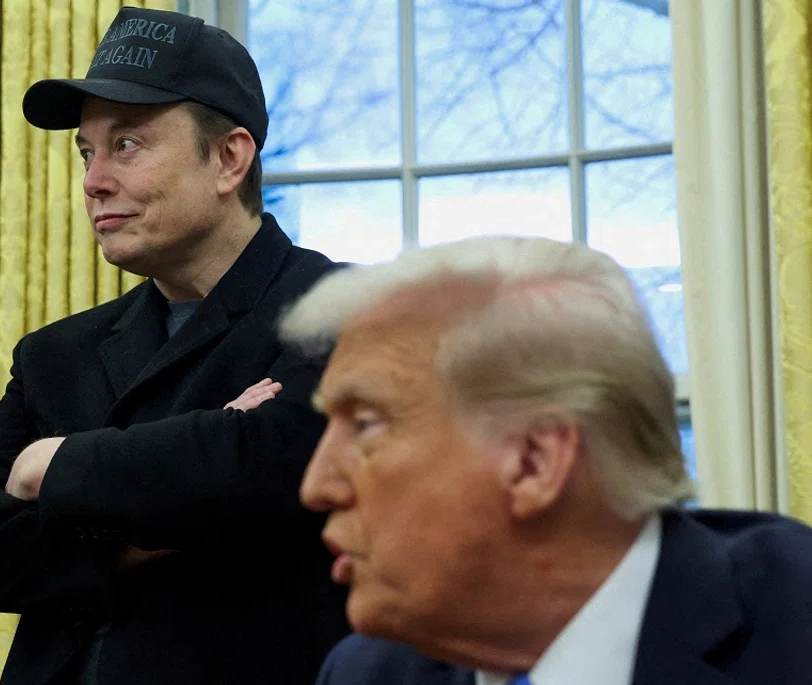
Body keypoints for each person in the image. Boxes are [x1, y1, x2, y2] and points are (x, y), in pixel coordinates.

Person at [0, 8, 348, 685]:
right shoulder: (56, 353)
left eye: (128, 145)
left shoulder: (340, 308)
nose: (93, 181)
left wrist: (46, 465)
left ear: (229, 158)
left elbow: (275, 466)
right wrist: (161, 510)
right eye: (88, 152)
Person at [278, 236, 812, 685]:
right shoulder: (366, 674)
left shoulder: (794, 626)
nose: (316, 486)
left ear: (534, 461)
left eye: (365, 425)